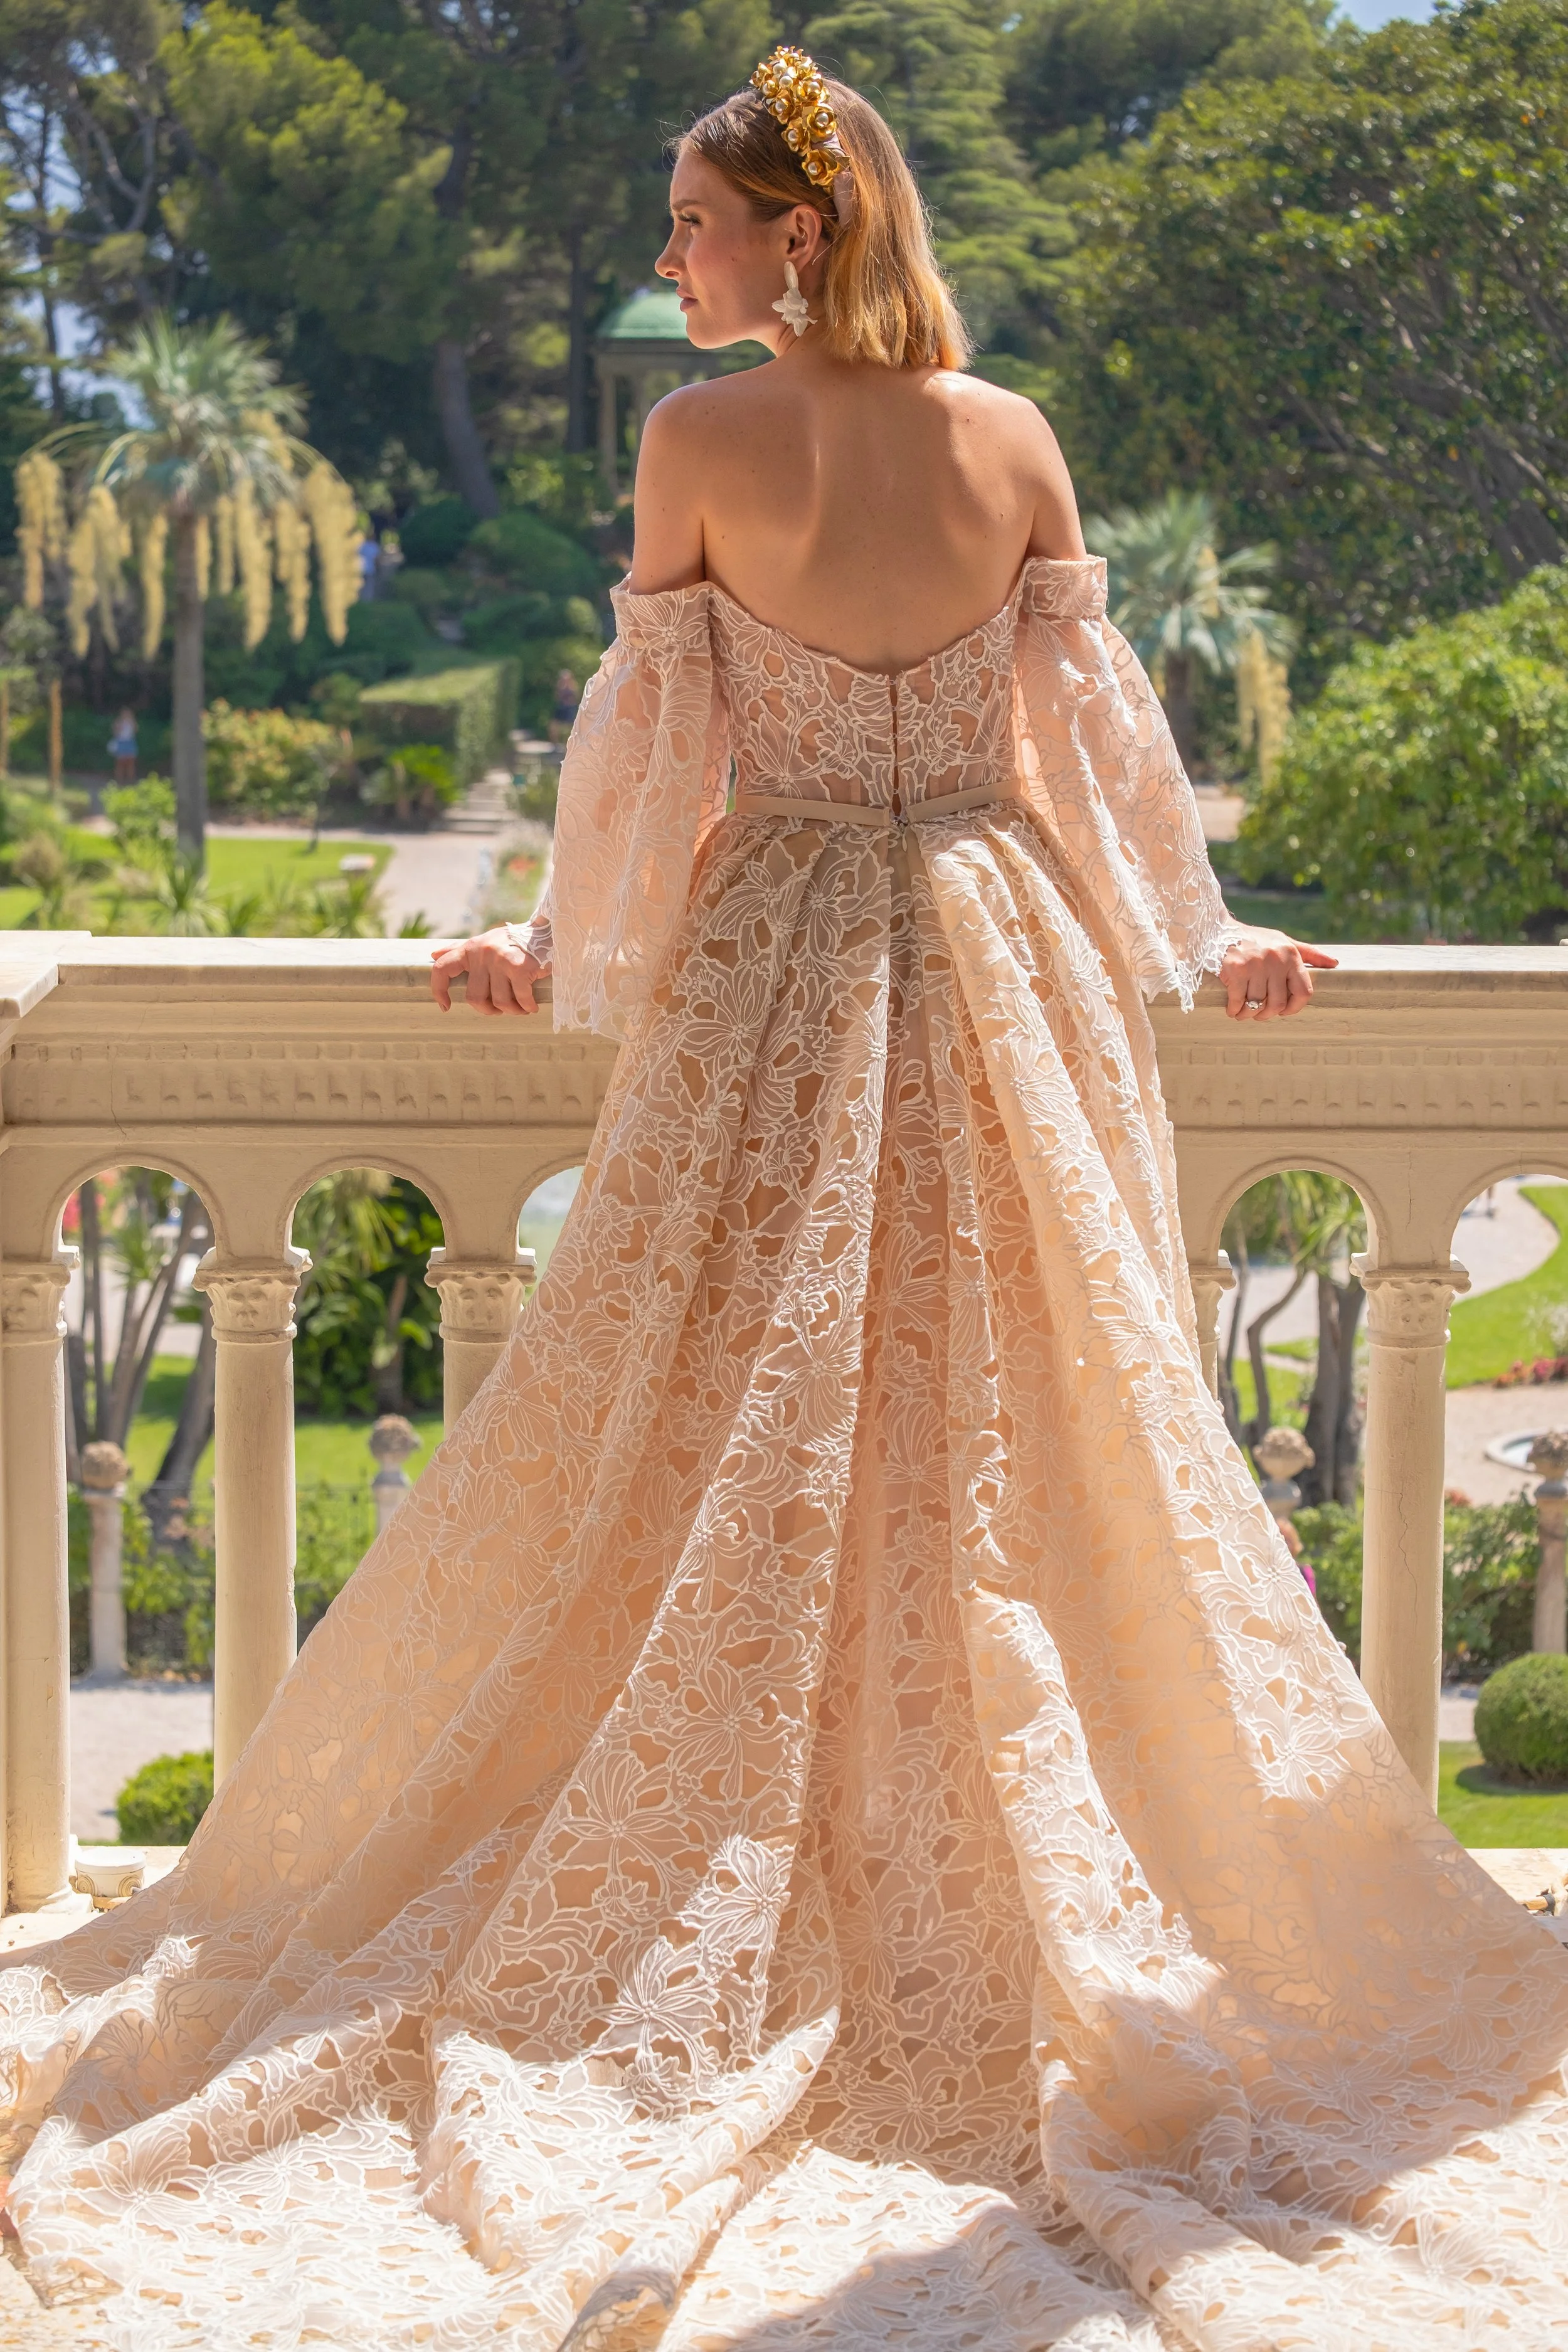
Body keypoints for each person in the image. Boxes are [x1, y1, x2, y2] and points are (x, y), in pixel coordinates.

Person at [3, 51, 1565, 2352]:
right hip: (1002, 954)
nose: (668, 262)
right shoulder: (1012, 436)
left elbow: (648, 757)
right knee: (1016, 1428)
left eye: (695, 227)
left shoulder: (694, 447)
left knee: (701, 1414)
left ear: (800, 232)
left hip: (771, 967)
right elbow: (1096, 763)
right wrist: (1200, 935)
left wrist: (556, 947)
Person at [549, 664, 580, 744]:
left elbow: (576, 698)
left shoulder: (573, 687)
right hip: (561, 707)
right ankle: (555, 743)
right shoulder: (560, 686)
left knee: (571, 728)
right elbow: (557, 697)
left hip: (570, 708)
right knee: (553, 726)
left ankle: (569, 744)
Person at [107, 705, 137, 785]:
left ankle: (130, 781)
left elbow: (135, 731)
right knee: (120, 763)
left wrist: (131, 722)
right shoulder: (118, 722)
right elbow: (115, 733)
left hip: (130, 742)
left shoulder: (132, 722)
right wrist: (119, 726)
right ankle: (119, 781)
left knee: (131, 763)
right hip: (121, 743)